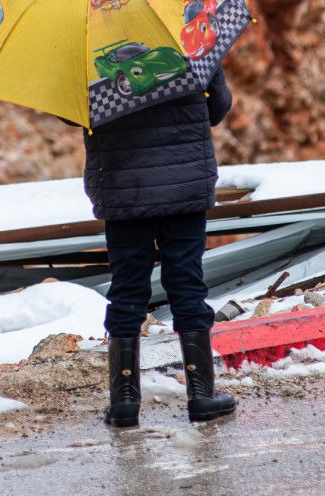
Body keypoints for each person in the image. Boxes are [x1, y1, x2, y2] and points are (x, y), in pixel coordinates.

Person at [83, 64, 236, 430]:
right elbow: (218, 107)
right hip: (183, 182)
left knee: (126, 288)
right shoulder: (187, 43)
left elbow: (75, 115)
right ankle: (201, 395)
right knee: (187, 282)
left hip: (124, 187)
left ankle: (124, 402)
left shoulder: (88, 55)